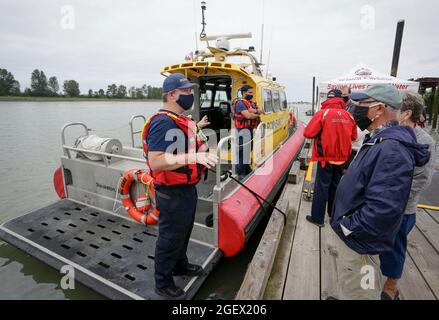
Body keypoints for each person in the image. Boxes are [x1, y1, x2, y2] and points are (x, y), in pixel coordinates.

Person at [330, 84, 430, 300]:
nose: (355, 108)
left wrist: (349, 228)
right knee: (350, 283)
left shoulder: (392, 149)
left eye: (362, 104)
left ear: (379, 109)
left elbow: (383, 209)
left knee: (360, 291)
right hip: (355, 235)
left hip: (360, 242)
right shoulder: (380, 139)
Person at [142, 73, 218, 299]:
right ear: (172, 94)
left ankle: (180, 265)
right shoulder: (162, 122)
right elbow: (155, 161)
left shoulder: (181, 118)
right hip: (171, 193)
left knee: (183, 232)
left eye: (191, 91)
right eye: (186, 92)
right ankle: (162, 282)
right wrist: (193, 158)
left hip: (186, 189)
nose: (191, 95)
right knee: (169, 237)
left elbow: (188, 140)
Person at [379, 91, 436, 300]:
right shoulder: (388, 132)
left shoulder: (425, 141)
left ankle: (391, 285)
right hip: (380, 201)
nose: (393, 111)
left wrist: (394, 196)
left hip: (402, 207)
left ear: (407, 113)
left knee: (396, 245)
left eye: (397, 108)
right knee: (381, 240)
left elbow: (423, 179)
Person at [304, 89, 357, 227]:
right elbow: (354, 137)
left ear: (328, 99)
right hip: (343, 160)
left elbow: (308, 133)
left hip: (325, 159)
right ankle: (333, 216)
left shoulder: (323, 113)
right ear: (341, 100)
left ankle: (318, 219)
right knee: (336, 188)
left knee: (321, 188)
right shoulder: (349, 116)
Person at [232, 85, 262, 179]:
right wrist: (257, 115)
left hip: (248, 130)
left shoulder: (248, 103)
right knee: (241, 152)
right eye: (249, 92)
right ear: (244, 92)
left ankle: (247, 168)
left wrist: (256, 112)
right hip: (242, 131)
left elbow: (253, 110)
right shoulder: (240, 103)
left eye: (251, 92)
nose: (251, 94)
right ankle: (240, 173)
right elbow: (248, 116)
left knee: (248, 150)